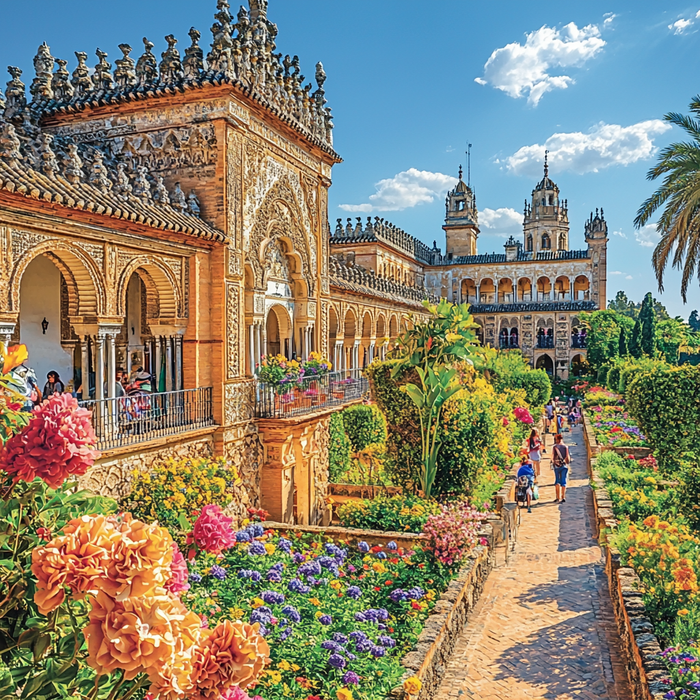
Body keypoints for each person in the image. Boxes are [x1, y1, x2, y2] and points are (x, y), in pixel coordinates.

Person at [552, 434, 571, 503]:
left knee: (557, 481)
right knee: (563, 481)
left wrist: (554, 463)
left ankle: (557, 497)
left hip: (557, 466)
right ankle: (563, 497)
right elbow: (567, 457)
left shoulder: (555, 447)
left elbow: (553, 457)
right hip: (564, 466)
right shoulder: (565, 447)